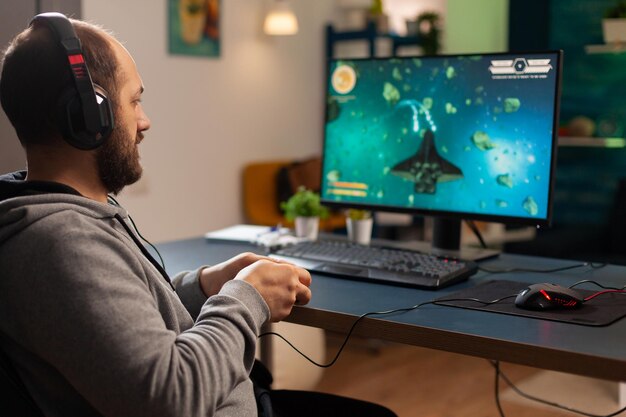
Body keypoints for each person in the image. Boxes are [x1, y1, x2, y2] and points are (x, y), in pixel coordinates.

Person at [0, 12, 396, 417]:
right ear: (89, 115)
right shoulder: (62, 241)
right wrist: (248, 298)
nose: (145, 121)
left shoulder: (66, 218)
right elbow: (170, 397)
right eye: (134, 101)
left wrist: (207, 285)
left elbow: (131, 321)